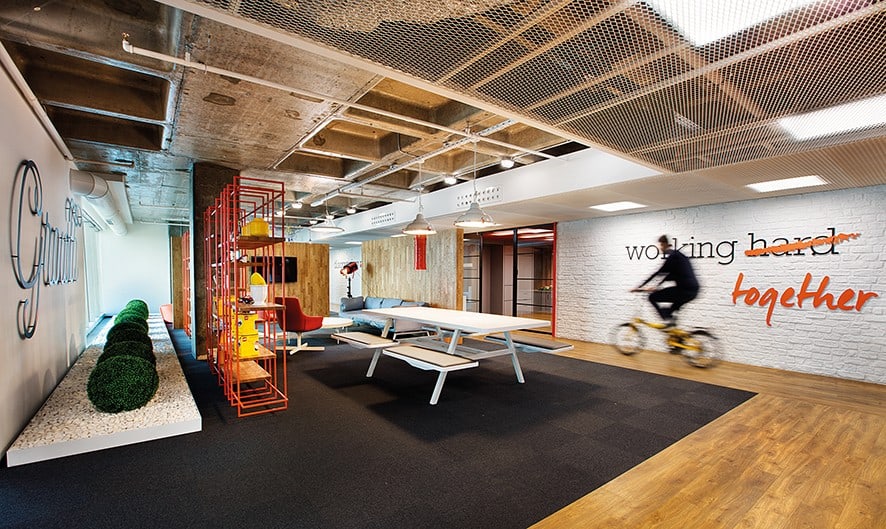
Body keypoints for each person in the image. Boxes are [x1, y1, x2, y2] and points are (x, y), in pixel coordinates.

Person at [632, 235, 699, 326]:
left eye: (660, 245)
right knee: (671, 311)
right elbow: (669, 275)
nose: (659, 248)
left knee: (652, 297)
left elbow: (659, 273)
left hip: (684, 290)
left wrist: (640, 287)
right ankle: (673, 328)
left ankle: (666, 319)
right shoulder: (678, 255)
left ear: (664, 244)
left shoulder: (672, 257)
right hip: (693, 290)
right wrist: (656, 285)